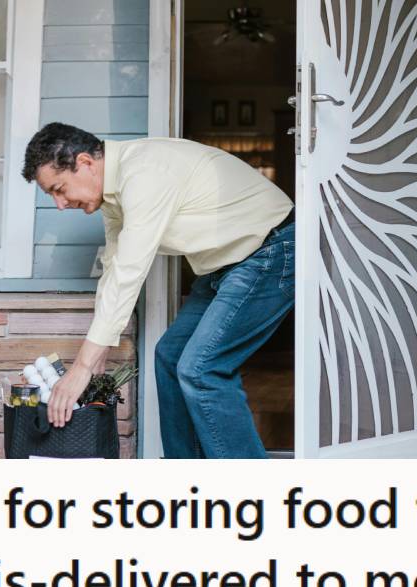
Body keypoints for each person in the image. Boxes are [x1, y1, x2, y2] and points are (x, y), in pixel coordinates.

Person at [21, 122, 295, 458]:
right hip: (226, 263)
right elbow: (114, 268)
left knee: (201, 369)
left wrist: (80, 368)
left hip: (270, 250)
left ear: (86, 163)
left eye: (59, 189)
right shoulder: (112, 197)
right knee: (170, 355)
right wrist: (100, 349)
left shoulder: (145, 173)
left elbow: (131, 269)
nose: (60, 205)